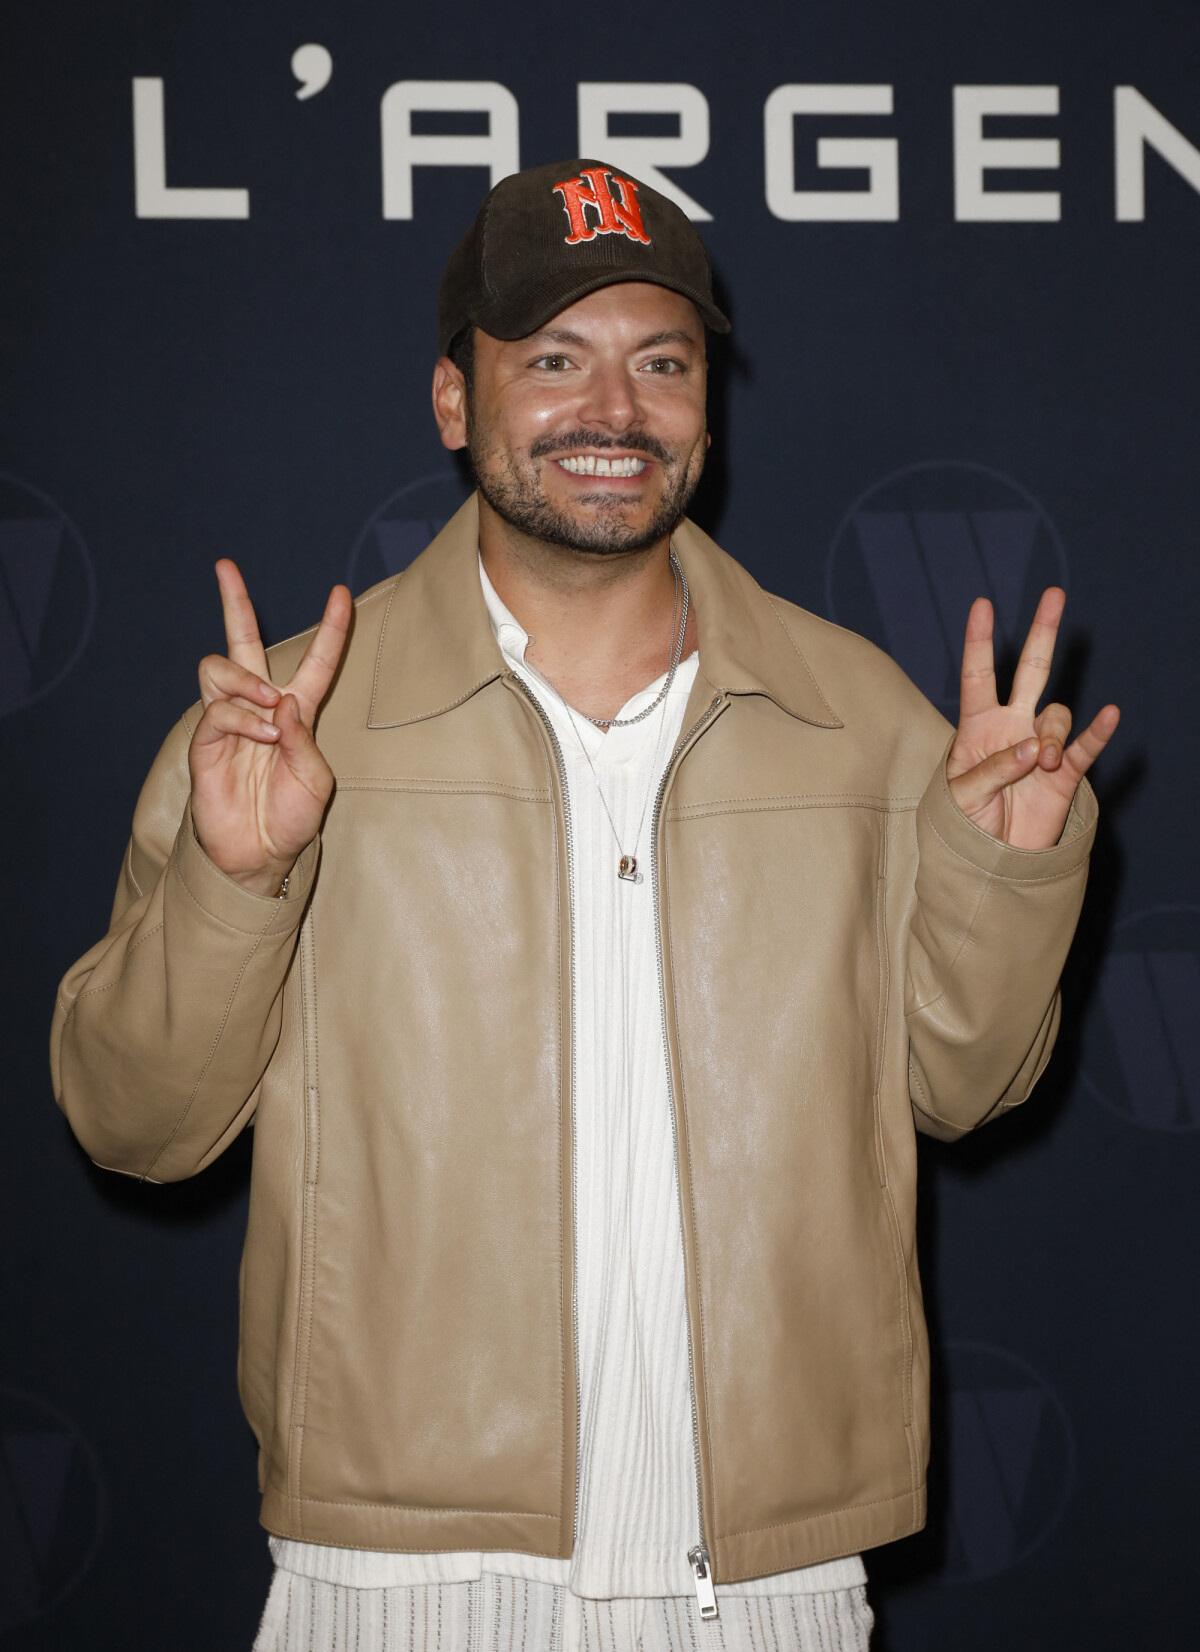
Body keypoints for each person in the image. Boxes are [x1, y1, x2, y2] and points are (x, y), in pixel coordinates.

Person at [51, 159, 1119, 1652]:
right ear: (452, 399)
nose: (614, 410)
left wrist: (1006, 875)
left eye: (661, 361)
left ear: (705, 402)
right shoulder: (290, 730)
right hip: (399, 1578)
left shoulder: (861, 719)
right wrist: (238, 882)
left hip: (769, 1585)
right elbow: (134, 1128)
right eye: (554, 358)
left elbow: (964, 1089)